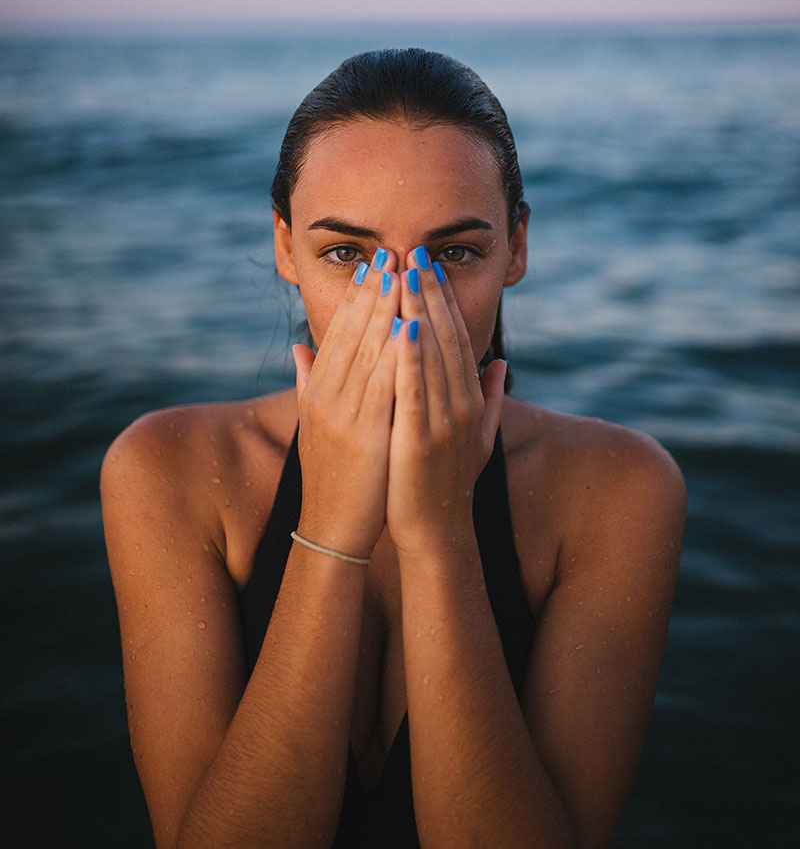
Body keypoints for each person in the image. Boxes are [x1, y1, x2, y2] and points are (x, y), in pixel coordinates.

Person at [101, 49, 686, 849]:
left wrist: (443, 538)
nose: (405, 301)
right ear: (284, 247)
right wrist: (332, 529)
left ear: (515, 248)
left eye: (454, 253)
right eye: (346, 254)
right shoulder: (168, 470)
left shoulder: (618, 490)